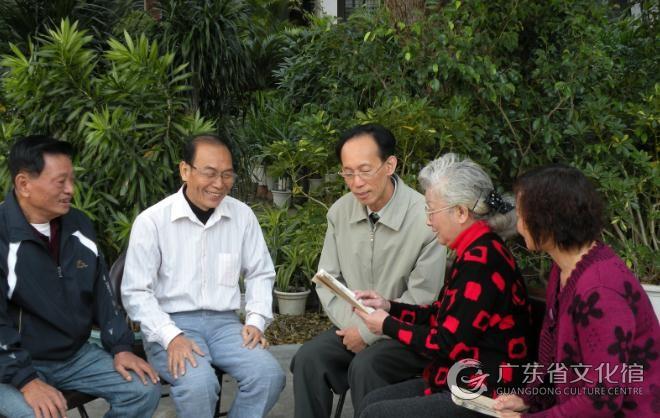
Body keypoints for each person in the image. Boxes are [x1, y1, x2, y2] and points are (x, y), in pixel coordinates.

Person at [354, 153, 532, 418]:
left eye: (431, 210)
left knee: (376, 413)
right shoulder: (475, 250)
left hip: (486, 394)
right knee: (372, 402)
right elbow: (440, 316)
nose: (428, 221)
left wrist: (387, 325)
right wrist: (389, 307)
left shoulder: (482, 260)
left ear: (460, 212)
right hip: (459, 380)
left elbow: (447, 343)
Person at [121, 134, 285, 418]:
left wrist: (256, 320)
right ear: (185, 170)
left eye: (227, 174)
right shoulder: (153, 221)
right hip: (171, 324)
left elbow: (260, 272)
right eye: (209, 173)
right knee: (199, 385)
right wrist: (171, 337)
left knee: (268, 375)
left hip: (225, 325)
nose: (219, 184)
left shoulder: (242, 216)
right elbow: (136, 292)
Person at [290, 124, 447, 418]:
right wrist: (356, 328)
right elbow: (327, 280)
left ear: (390, 165)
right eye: (348, 173)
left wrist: (367, 332)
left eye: (364, 170)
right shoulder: (340, 212)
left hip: (406, 333)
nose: (356, 183)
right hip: (352, 323)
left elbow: (423, 296)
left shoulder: (426, 217)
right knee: (309, 358)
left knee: (367, 366)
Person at [0, 135, 160, 418]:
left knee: (142, 390)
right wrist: (26, 379)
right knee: (39, 414)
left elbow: (103, 292)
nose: (70, 190)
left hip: (74, 355)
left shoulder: (78, 225)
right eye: (60, 182)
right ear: (24, 184)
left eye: (71, 180)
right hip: (11, 363)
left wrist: (121, 346)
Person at [494, 164, 660, 418]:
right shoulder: (564, 268)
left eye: (521, 216)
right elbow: (553, 358)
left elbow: (602, 398)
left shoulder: (600, 290)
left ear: (547, 219)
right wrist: (526, 399)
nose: (518, 227)